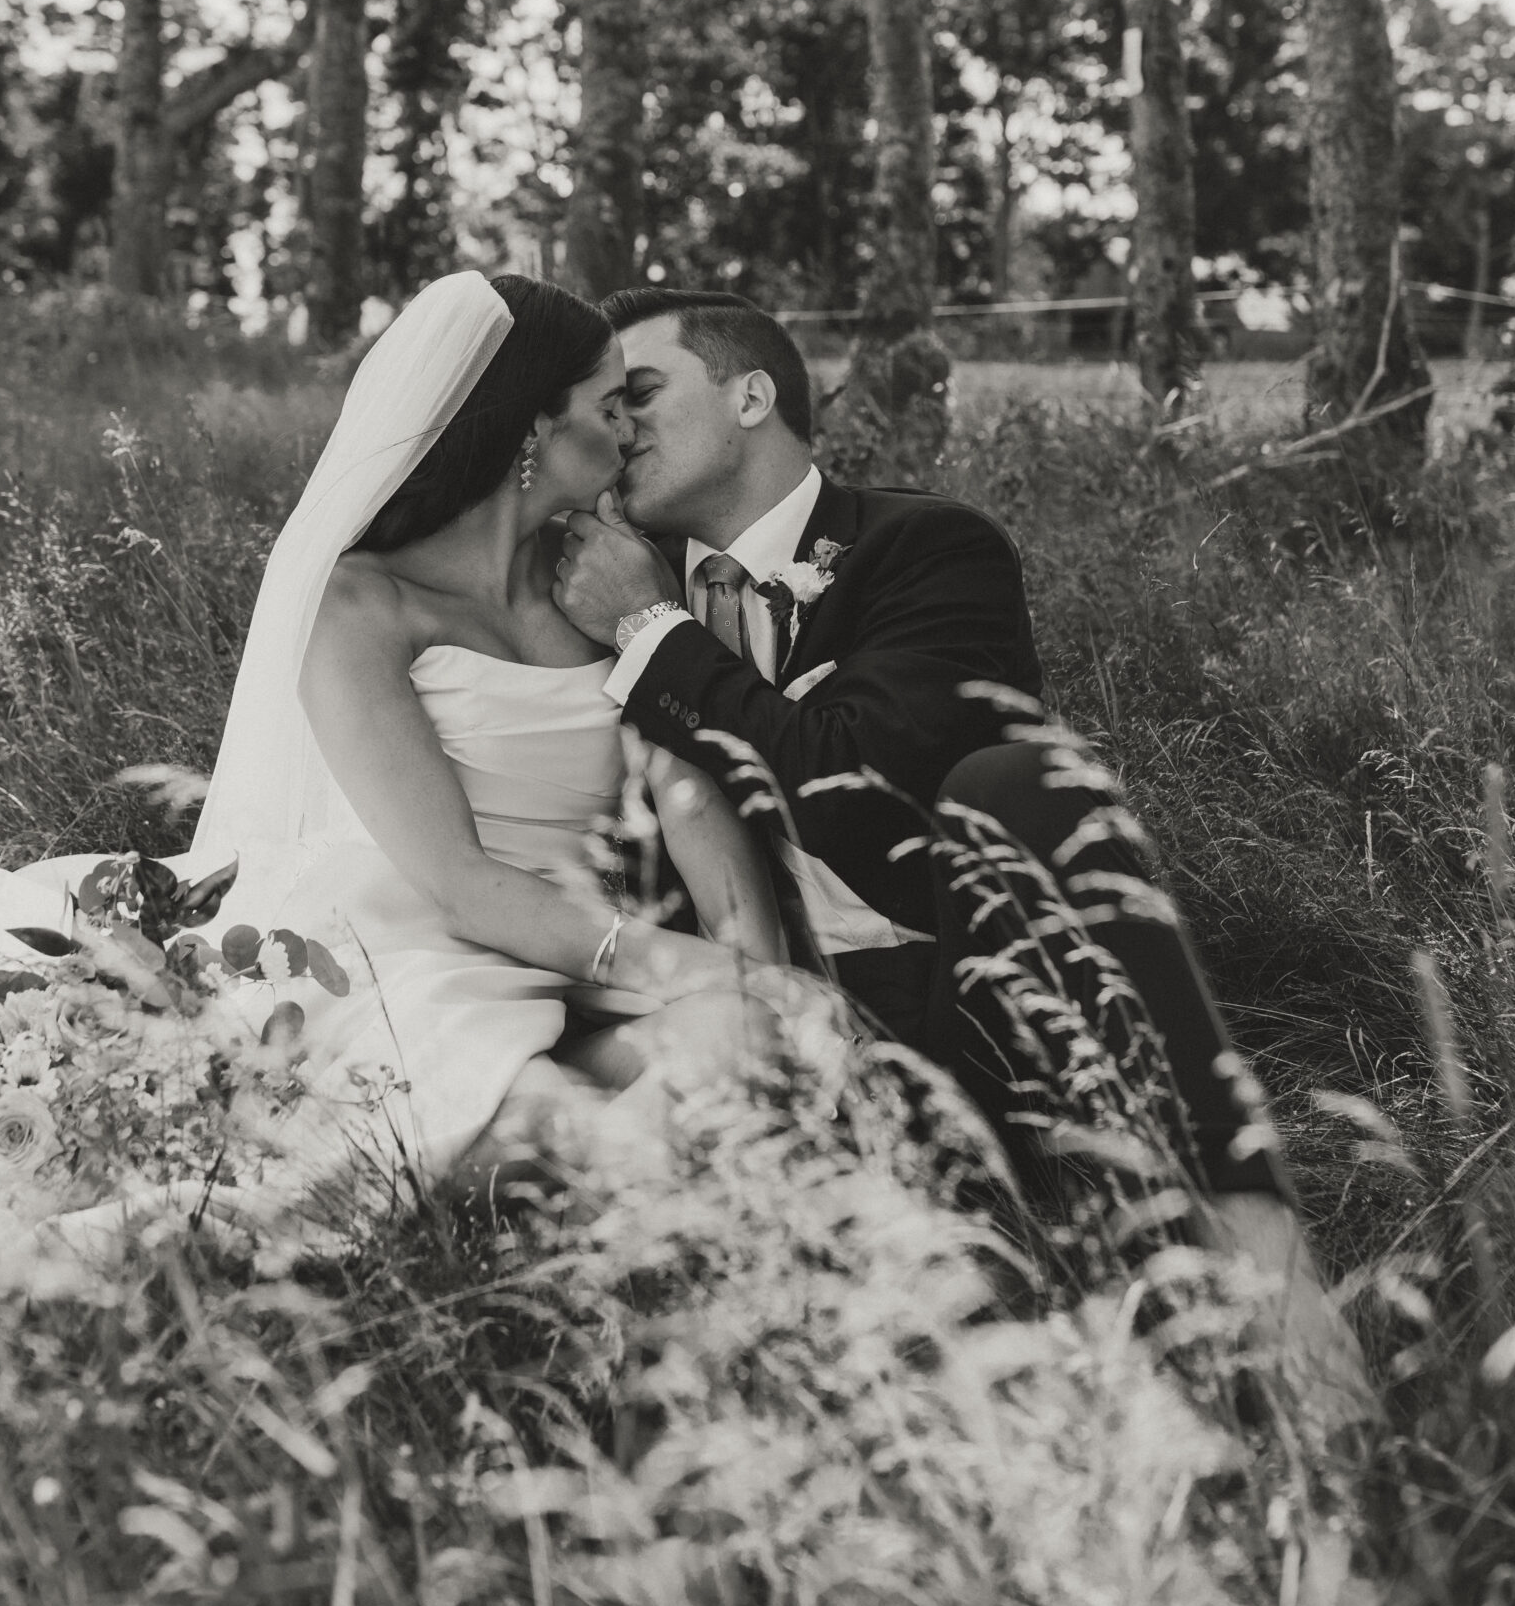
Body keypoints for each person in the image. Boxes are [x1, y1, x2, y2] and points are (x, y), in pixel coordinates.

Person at [551, 285, 1373, 1425]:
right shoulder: (585, 589)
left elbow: (859, 795)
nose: (616, 428)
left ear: (751, 395)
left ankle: (1265, 1264)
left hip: (970, 1019)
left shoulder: (928, 547)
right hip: (749, 1032)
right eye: (602, 406)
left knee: (1024, 780)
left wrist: (655, 633)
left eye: (641, 391)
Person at [0, 274, 788, 1191]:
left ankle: (694, 1165)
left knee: (751, 1033)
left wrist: (760, 968)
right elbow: (458, 879)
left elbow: (691, 789)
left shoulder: (610, 580)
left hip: (567, 963)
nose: (630, 432)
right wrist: (671, 960)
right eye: (610, 404)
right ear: (536, 420)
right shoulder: (366, 605)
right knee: (572, 1133)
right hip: (404, 954)